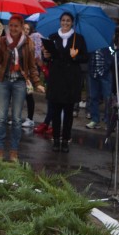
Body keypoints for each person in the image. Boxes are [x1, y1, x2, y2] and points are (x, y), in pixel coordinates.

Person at [0, 14, 44, 162]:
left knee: (16, 118)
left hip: (20, 83)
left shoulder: (28, 43)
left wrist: (37, 82)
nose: (13, 28)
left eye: (16, 26)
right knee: (1, 118)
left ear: (21, 27)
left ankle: (14, 151)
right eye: (11, 25)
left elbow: (32, 65)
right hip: (4, 81)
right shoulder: (2, 41)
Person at [42, 11, 88, 153]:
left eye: (68, 21)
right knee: (55, 112)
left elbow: (85, 57)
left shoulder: (78, 39)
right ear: (60, 21)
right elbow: (48, 58)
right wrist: (46, 56)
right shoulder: (53, 37)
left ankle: (65, 140)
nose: (65, 23)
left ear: (72, 22)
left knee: (68, 113)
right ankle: (56, 140)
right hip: (56, 78)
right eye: (63, 20)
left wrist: (75, 56)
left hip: (71, 80)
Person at [86, 46, 113, 129]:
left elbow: (114, 54)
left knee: (107, 98)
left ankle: (109, 121)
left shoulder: (108, 41)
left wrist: (107, 66)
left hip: (105, 73)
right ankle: (95, 119)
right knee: (93, 97)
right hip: (93, 73)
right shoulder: (90, 42)